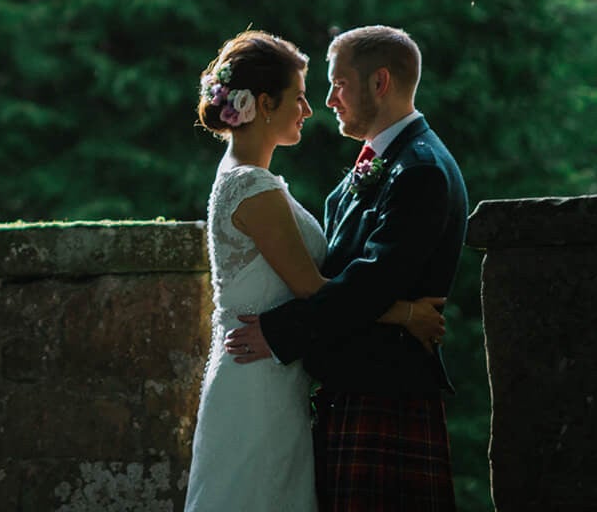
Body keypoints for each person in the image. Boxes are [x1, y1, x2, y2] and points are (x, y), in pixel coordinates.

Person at [184, 30, 446, 512]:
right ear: (265, 104)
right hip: (259, 380)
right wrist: (406, 313)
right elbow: (310, 287)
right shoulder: (252, 186)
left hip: (272, 377)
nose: (310, 109)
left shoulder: (250, 180)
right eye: (300, 98)